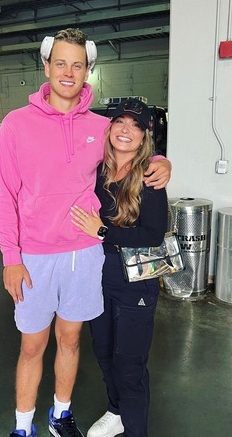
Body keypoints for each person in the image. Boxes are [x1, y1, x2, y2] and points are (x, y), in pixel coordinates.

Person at [0, 28, 172, 437]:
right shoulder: (16, 125)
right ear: (46, 66)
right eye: (61, 63)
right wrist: (10, 257)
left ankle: (60, 416)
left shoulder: (99, 126)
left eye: (77, 64)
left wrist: (162, 160)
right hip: (34, 255)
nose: (68, 72)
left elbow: (133, 147)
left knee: (71, 341)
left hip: (86, 254)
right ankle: (22, 427)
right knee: (32, 346)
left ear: (88, 71)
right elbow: (3, 194)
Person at [70, 99, 167, 437]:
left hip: (136, 285)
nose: (126, 130)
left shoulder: (150, 177)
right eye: (120, 122)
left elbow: (153, 235)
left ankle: (135, 430)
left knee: (130, 366)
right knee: (105, 354)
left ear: (144, 136)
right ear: (108, 128)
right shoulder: (96, 171)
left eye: (136, 125)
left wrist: (102, 231)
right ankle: (116, 410)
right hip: (98, 280)